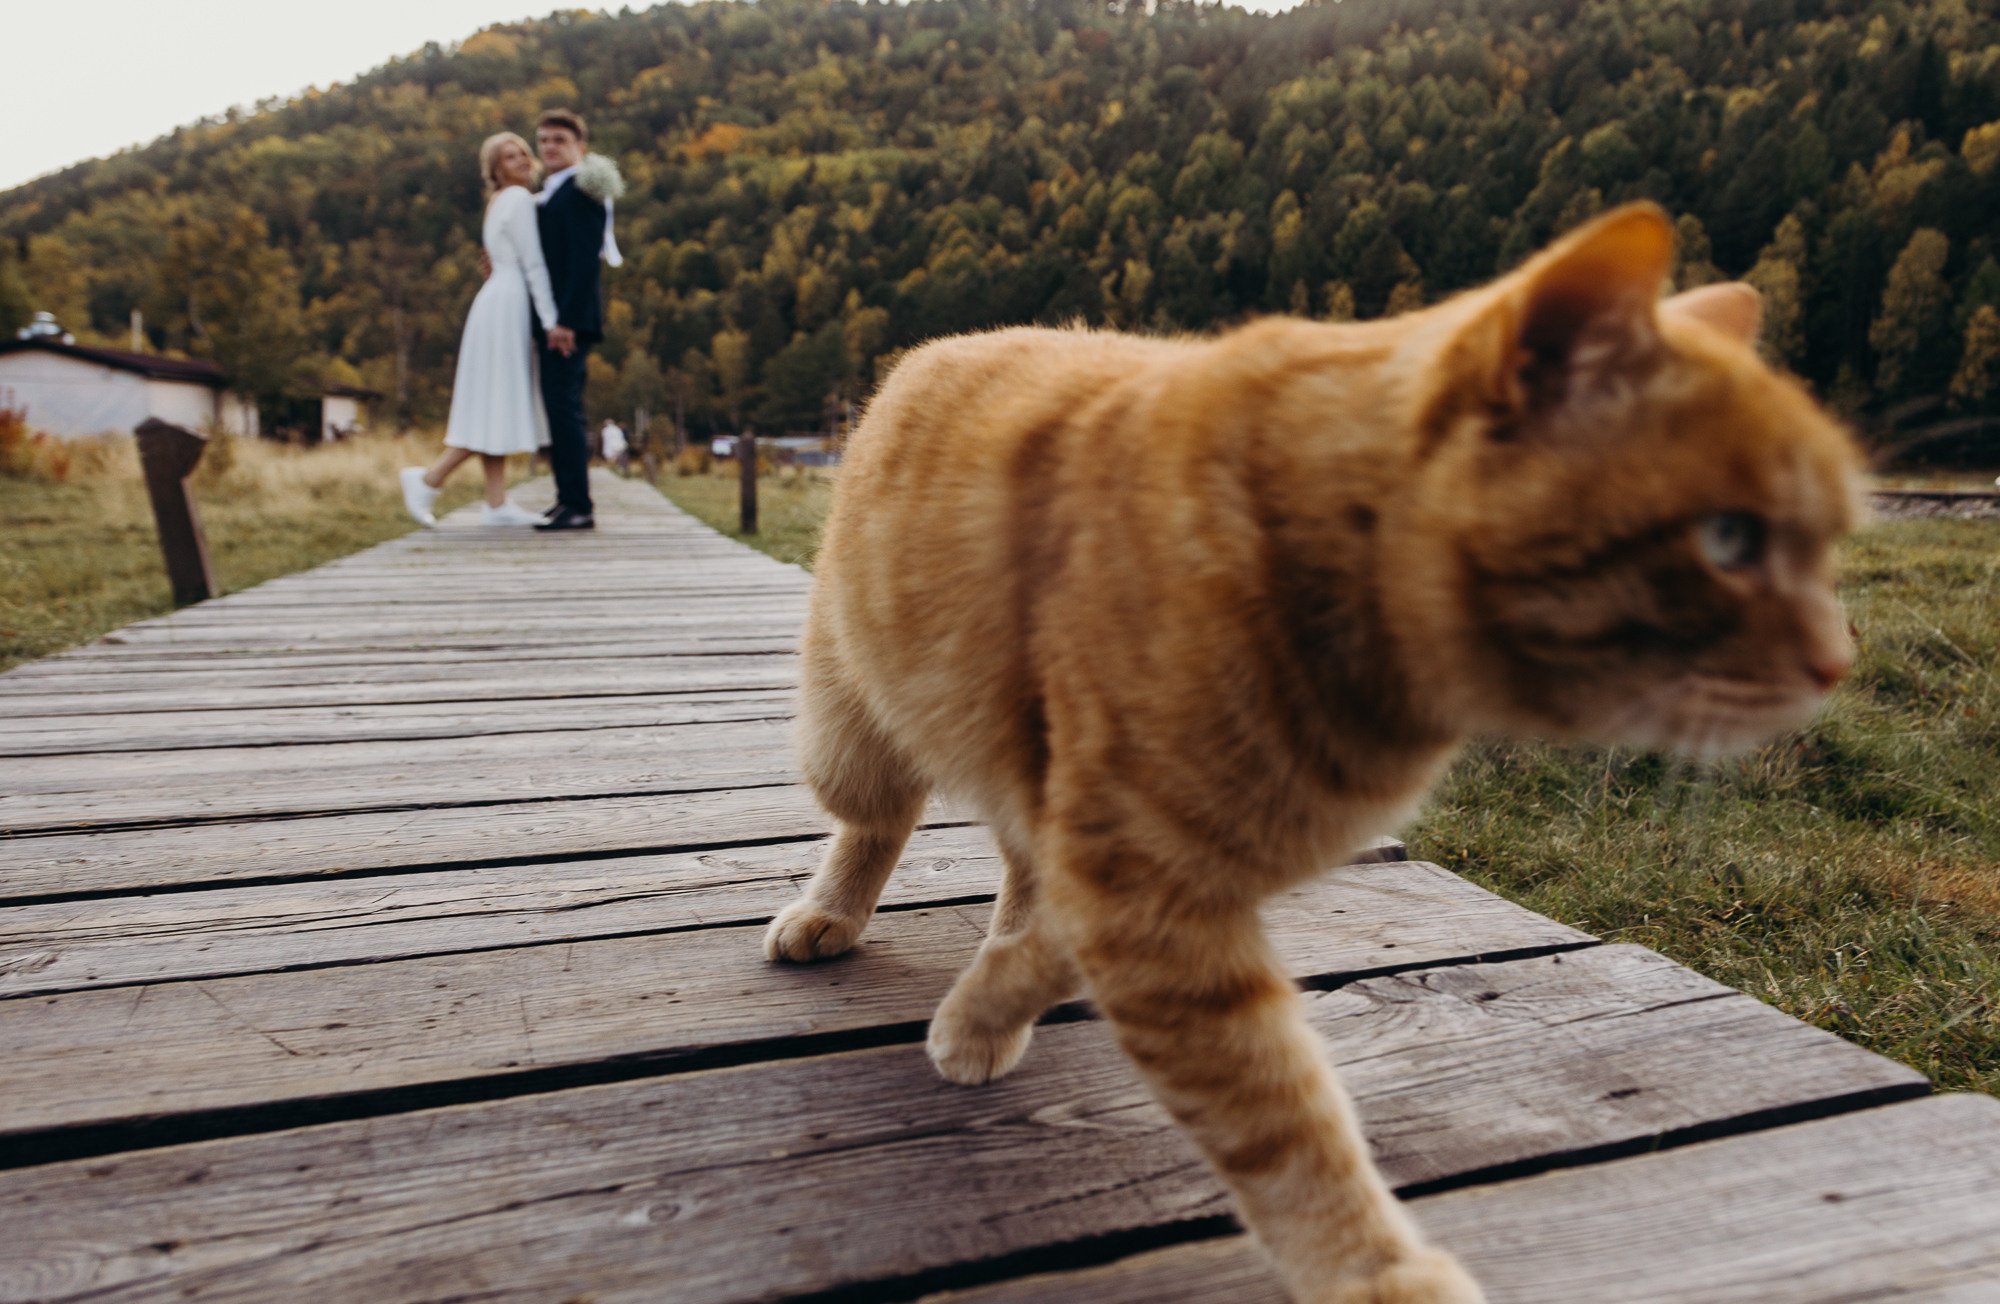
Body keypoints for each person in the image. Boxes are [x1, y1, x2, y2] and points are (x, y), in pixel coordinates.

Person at [399, 131, 554, 528]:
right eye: (509, 156)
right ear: (495, 170)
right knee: (494, 402)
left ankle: (496, 503)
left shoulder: (505, 201)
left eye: (522, 151)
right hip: (509, 304)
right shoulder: (517, 199)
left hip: (495, 299)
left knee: (493, 402)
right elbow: (534, 263)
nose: (521, 159)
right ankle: (429, 479)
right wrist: (552, 320)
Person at [528, 107, 622, 531]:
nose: (549, 147)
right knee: (559, 407)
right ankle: (567, 497)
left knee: (564, 409)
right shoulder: (553, 191)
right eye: (543, 139)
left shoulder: (582, 191)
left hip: (569, 321)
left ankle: (578, 504)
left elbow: (584, 262)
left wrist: (563, 321)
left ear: (580, 148)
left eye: (559, 140)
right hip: (558, 318)